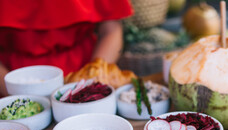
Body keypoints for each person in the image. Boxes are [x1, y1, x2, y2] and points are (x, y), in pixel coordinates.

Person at [0, 0, 133, 97]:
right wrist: (13, 92)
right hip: (11, 79)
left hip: (84, 71)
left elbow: (111, 30)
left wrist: (92, 82)